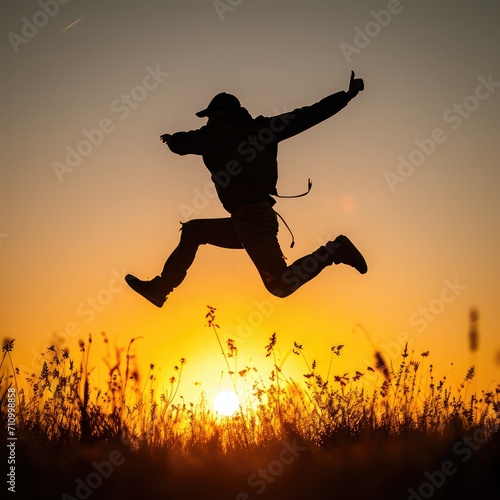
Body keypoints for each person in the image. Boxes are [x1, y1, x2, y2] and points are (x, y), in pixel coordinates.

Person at [126, 71, 367, 308]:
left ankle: (334, 251)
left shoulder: (214, 133)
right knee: (193, 231)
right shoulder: (264, 129)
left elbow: (180, 144)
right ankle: (161, 288)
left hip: (253, 220)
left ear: (218, 114)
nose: (208, 121)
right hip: (247, 220)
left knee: (280, 286)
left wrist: (172, 138)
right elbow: (306, 116)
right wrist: (345, 96)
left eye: (209, 117)